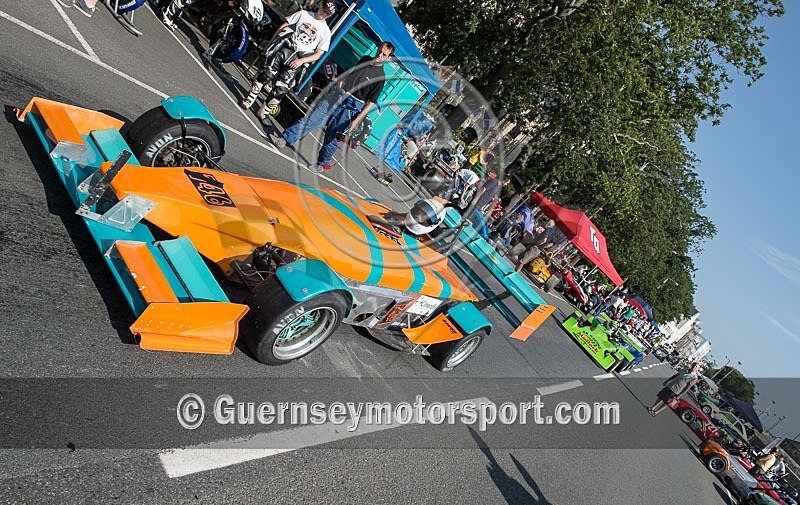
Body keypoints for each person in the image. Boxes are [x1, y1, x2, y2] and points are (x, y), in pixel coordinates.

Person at [269, 41, 396, 172]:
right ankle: (284, 139)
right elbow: (351, 74)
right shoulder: (365, 59)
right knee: (310, 120)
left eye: (384, 54)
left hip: (352, 106)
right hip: (338, 95)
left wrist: (356, 121)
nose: (380, 55)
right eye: (379, 51)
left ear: (388, 58)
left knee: (332, 137)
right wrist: (340, 83)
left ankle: (322, 163)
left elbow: (370, 103)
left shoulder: (380, 78)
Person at [240, 1, 335, 120]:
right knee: (266, 74)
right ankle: (249, 99)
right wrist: (271, 43)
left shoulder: (326, 32)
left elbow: (319, 54)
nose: (324, 13)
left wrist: (302, 61)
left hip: (298, 59)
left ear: (330, 15)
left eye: (327, 13)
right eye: (324, 9)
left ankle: (264, 112)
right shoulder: (303, 14)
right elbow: (284, 26)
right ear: (320, 6)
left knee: (281, 88)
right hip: (285, 49)